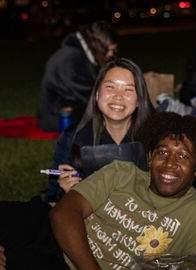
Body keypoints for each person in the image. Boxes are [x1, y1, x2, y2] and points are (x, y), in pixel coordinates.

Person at [0, 112, 196, 270]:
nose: (169, 163)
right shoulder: (122, 173)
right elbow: (64, 212)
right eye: (162, 152)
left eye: (183, 156)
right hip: (48, 231)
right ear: (149, 157)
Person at [44, 57, 153, 202]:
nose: (118, 96)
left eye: (128, 89)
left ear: (139, 100)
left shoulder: (155, 139)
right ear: (96, 94)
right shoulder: (72, 138)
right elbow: (53, 195)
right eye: (110, 87)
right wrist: (68, 192)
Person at [38, 20, 118, 131]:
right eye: (110, 50)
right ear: (98, 45)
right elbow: (87, 95)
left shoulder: (80, 54)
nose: (111, 54)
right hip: (58, 117)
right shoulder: (71, 59)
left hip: (73, 106)